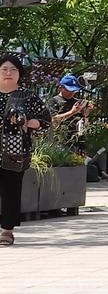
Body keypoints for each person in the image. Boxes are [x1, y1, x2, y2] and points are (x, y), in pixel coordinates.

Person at [0, 53, 51, 246]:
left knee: (11, 190)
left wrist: (29, 122)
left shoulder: (28, 96)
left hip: (15, 150)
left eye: (13, 70)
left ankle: (7, 230)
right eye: (4, 69)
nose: (8, 73)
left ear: (19, 74)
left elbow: (46, 120)